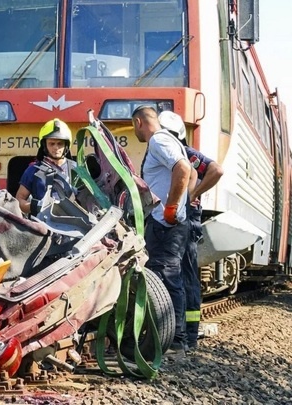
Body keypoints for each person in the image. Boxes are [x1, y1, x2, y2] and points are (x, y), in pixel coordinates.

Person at [159, 111, 224, 350]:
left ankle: (188, 335)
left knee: (184, 274)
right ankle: (185, 334)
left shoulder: (185, 154)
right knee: (183, 274)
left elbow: (217, 170)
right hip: (180, 217)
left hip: (185, 218)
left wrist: (193, 195)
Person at [132, 105, 191, 353]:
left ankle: (176, 339)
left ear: (138, 122)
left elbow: (184, 169)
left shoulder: (158, 140)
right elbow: (192, 173)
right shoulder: (168, 140)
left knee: (166, 276)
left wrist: (172, 206)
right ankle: (174, 338)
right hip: (167, 223)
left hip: (165, 224)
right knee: (167, 276)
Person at [15, 119, 77, 215]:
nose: (56, 147)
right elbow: (19, 200)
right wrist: (36, 206)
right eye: (52, 144)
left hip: (74, 225)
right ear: (44, 145)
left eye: (60, 143)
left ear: (66, 146)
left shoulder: (77, 170)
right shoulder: (33, 170)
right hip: (42, 225)